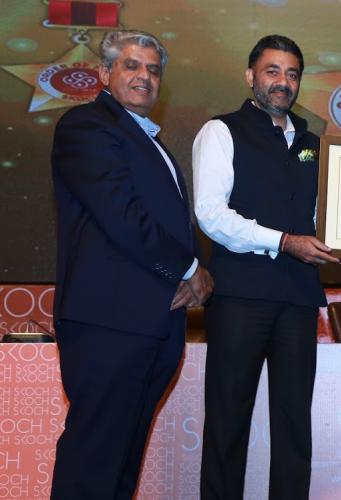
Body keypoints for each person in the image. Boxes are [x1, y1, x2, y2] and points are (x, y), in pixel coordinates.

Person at [50, 29, 213, 499]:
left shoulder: (151, 142)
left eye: (154, 70)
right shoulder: (86, 126)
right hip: (109, 324)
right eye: (132, 65)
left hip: (153, 324)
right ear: (105, 73)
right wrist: (191, 269)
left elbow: (163, 221)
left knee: (121, 465)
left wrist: (194, 273)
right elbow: (122, 215)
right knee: (94, 462)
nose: (145, 76)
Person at [192, 34, 339, 500]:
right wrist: (283, 241)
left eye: (292, 73)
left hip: (297, 300)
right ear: (250, 75)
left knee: (295, 428)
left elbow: (325, 218)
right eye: (272, 71)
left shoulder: (316, 143)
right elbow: (210, 215)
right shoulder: (221, 131)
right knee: (227, 424)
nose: (282, 82)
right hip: (239, 297)